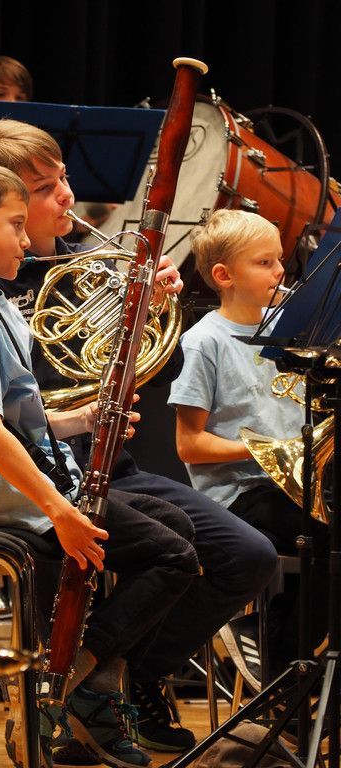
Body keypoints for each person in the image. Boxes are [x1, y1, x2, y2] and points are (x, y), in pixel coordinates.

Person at [0, 120, 278, 749]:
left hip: (112, 467)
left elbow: (126, 367)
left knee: (249, 556)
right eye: (44, 188)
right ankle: (71, 694)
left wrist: (149, 308)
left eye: (64, 180)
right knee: (126, 554)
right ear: (2, 201)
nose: (65, 196)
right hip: (41, 479)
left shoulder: (92, 264)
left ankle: (129, 675)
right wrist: (70, 412)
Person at [0, 158, 213, 768]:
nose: (27, 241)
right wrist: (60, 511)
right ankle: (67, 680)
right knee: (174, 557)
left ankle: (85, 679)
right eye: (14, 225)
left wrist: (84, 420)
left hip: (43, 486)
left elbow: (20, 421)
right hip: (19, 502)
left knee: (177, 526)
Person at [168, 208, 329, 688]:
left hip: (300, 484)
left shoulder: (294, 330)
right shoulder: (204, 342)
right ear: (224, 276)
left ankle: (294, 649)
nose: (280, 272)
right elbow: (189, 445)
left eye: (280, 260)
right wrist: (269, 451)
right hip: (240, 494)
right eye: (264, 263)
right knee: (330, 540)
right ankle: (279, 656)